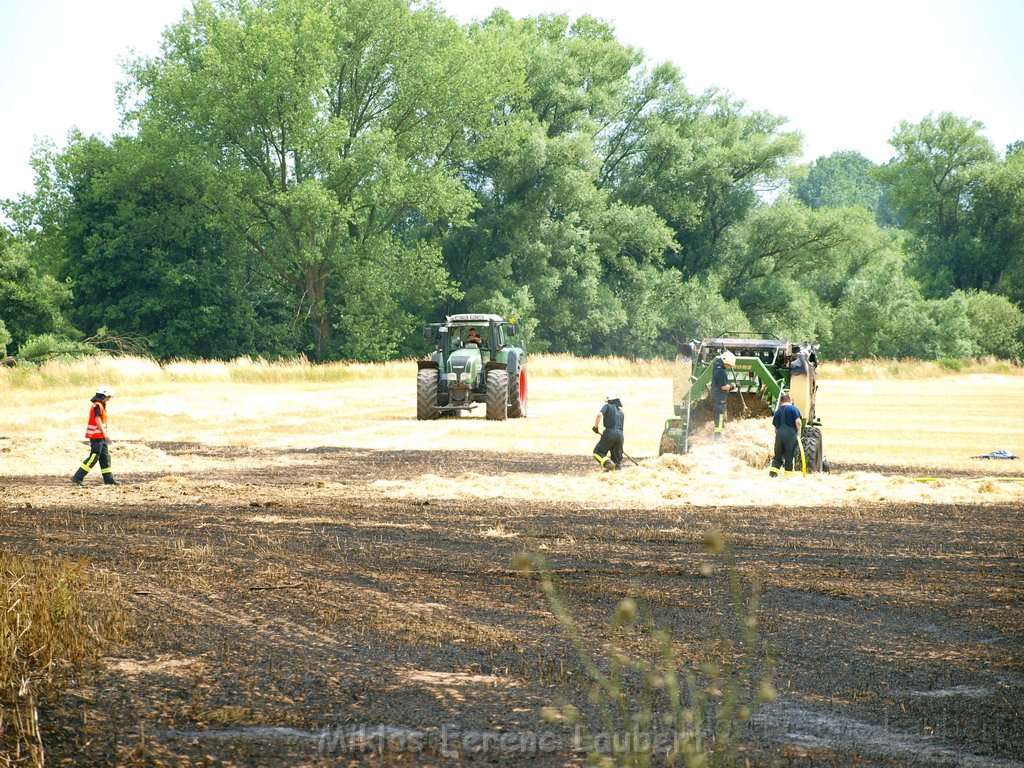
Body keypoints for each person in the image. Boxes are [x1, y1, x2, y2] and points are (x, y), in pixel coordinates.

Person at [71, 386, 119, 486]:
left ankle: (108, 479)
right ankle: (78, 476)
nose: (109, 399)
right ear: (103, 396)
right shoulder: (97, 405)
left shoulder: (101, 405)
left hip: (100, 436)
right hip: (96, 436)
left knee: (105, 457)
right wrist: (105, 434)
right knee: (94, 457)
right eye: (108, 397)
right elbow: (97, 420)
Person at [770, 394, 803, 477]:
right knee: (789, 456)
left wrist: (780, 435)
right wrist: (797, 432)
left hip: (779, 434)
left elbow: (775, 429)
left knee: (777, 456)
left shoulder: (777, 412)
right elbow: (798, 422)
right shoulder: (793, 409)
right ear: (790, 401)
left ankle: (772, 474)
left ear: (781, 402)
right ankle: (788, 477)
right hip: (790, 434)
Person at [592, 394, 624, 471]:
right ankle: (616, 473)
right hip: (620, 435)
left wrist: (596, 427)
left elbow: (599, 415)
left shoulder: (607, 406)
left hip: (610, 433)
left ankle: (608, 463)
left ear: (609, 401)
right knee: (617, 461)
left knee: (597, 452)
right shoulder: (621, 412)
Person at [710, 350, 736, 441]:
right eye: (729, 365)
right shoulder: (720, 371)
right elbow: (724, 387)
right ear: (725, 362)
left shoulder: (717, 364)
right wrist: (734, 385)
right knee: (720, 417)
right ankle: (717, 436)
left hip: (716, 395)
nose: (729, 367)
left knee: (719, 416)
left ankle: (719, 432)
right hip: (719, 398)